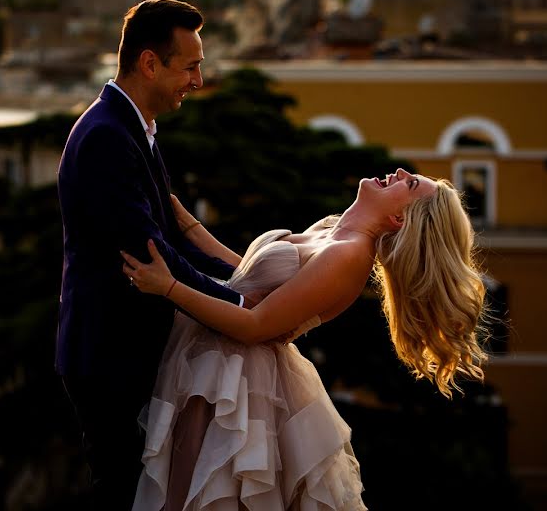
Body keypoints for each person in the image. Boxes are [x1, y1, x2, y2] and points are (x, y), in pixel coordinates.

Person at [122, 169, 488, 511]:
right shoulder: (333, 230)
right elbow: (246, 280)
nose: (400, 173)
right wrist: (186, 223)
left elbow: (254, 324)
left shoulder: (349, 256)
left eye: (408, 185)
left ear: (397, 220)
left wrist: (168, 287)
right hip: (213, 356)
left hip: (235, 380)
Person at [56, 0, 256, 510]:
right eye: (189, 66)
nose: (198, 80)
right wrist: (241, 309)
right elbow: (154, 254)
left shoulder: (133, 127)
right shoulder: (106, 137)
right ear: (150, 64)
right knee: (125, 494)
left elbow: (173, 237)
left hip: (130, 349)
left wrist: (246, 283)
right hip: (111, 356)